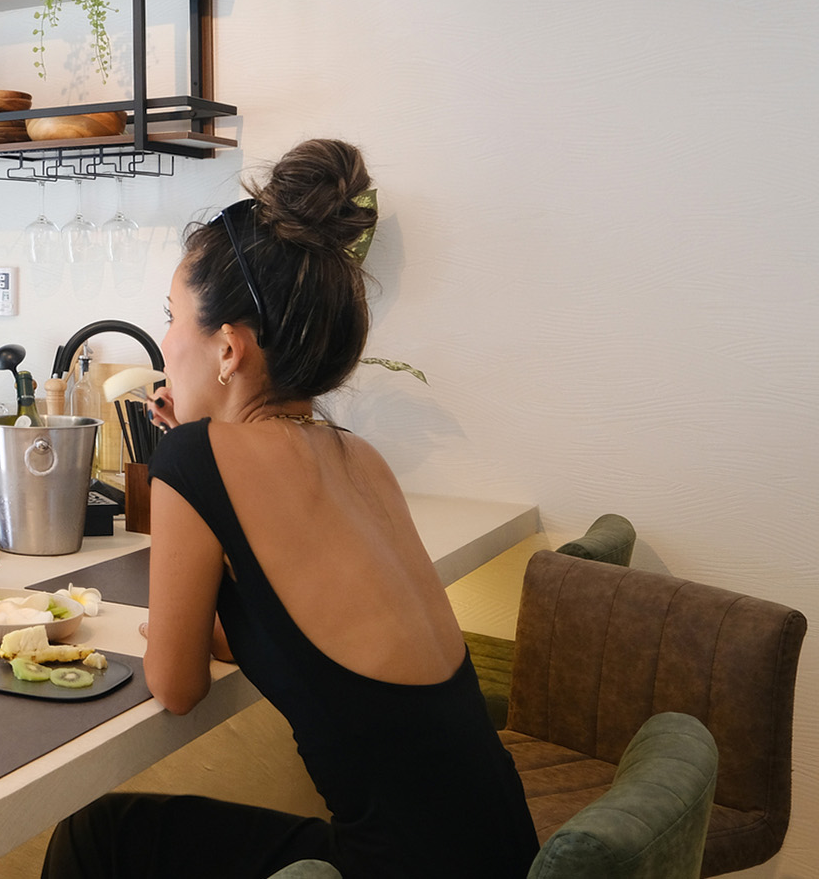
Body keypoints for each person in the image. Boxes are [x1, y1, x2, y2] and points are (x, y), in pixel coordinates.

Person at [44, 140, 536, 879]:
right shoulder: (356, 455)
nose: (166, 342)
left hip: (395, 869)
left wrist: (189, 474)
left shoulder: (195, 459)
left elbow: (175, 687)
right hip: (503, 850)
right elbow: (305, 625)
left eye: (172, 317)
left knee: (99, 836)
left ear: (229, 349)